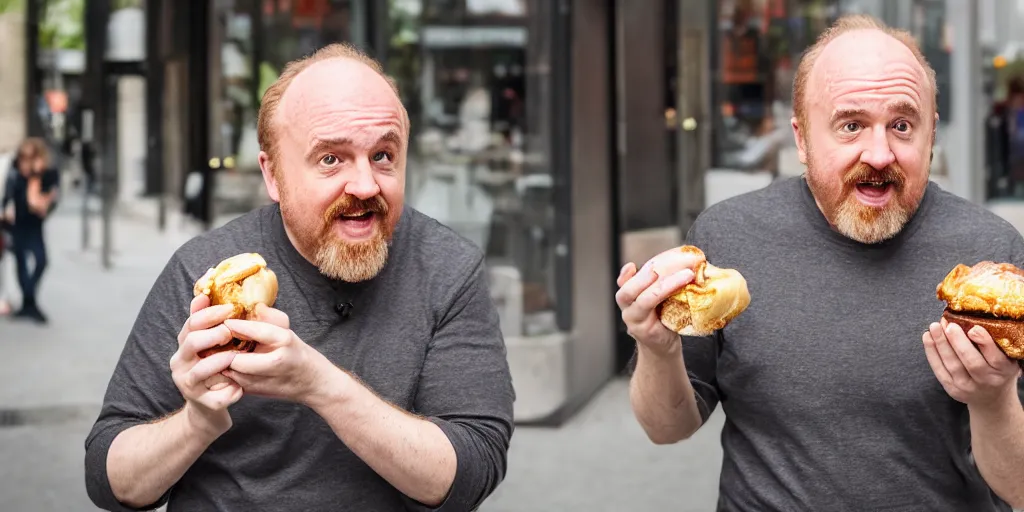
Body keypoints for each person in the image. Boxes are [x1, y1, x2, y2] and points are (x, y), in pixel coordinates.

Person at [84, 43, 515, 511]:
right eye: (331, 159)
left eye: (384, 155)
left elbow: (473, 470)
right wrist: (198, 421)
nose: (366, 185)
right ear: (273, 175)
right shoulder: (207, 271)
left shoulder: (447, 268)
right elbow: (110, 481)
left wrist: (318, 384)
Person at [618, 14, 1024, 511]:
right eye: (850, 125)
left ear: (930, 134)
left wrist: (992, 400)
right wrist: (657, 350)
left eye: (901, 125)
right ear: (802, 138)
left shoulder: (993, 264)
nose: (879, 153)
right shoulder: (727, 239)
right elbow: (667, 428)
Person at [1, 137, 59, 324]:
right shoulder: (16, 172)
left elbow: (53, 197)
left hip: (35, 224)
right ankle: (29, 305)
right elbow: (8, 194)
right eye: (23, 156)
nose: (25, 160)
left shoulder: (47, 173)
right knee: (21, 261)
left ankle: (29, 299)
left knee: (41, 260)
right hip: (17, 223)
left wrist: (36, 177)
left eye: (30, 156)